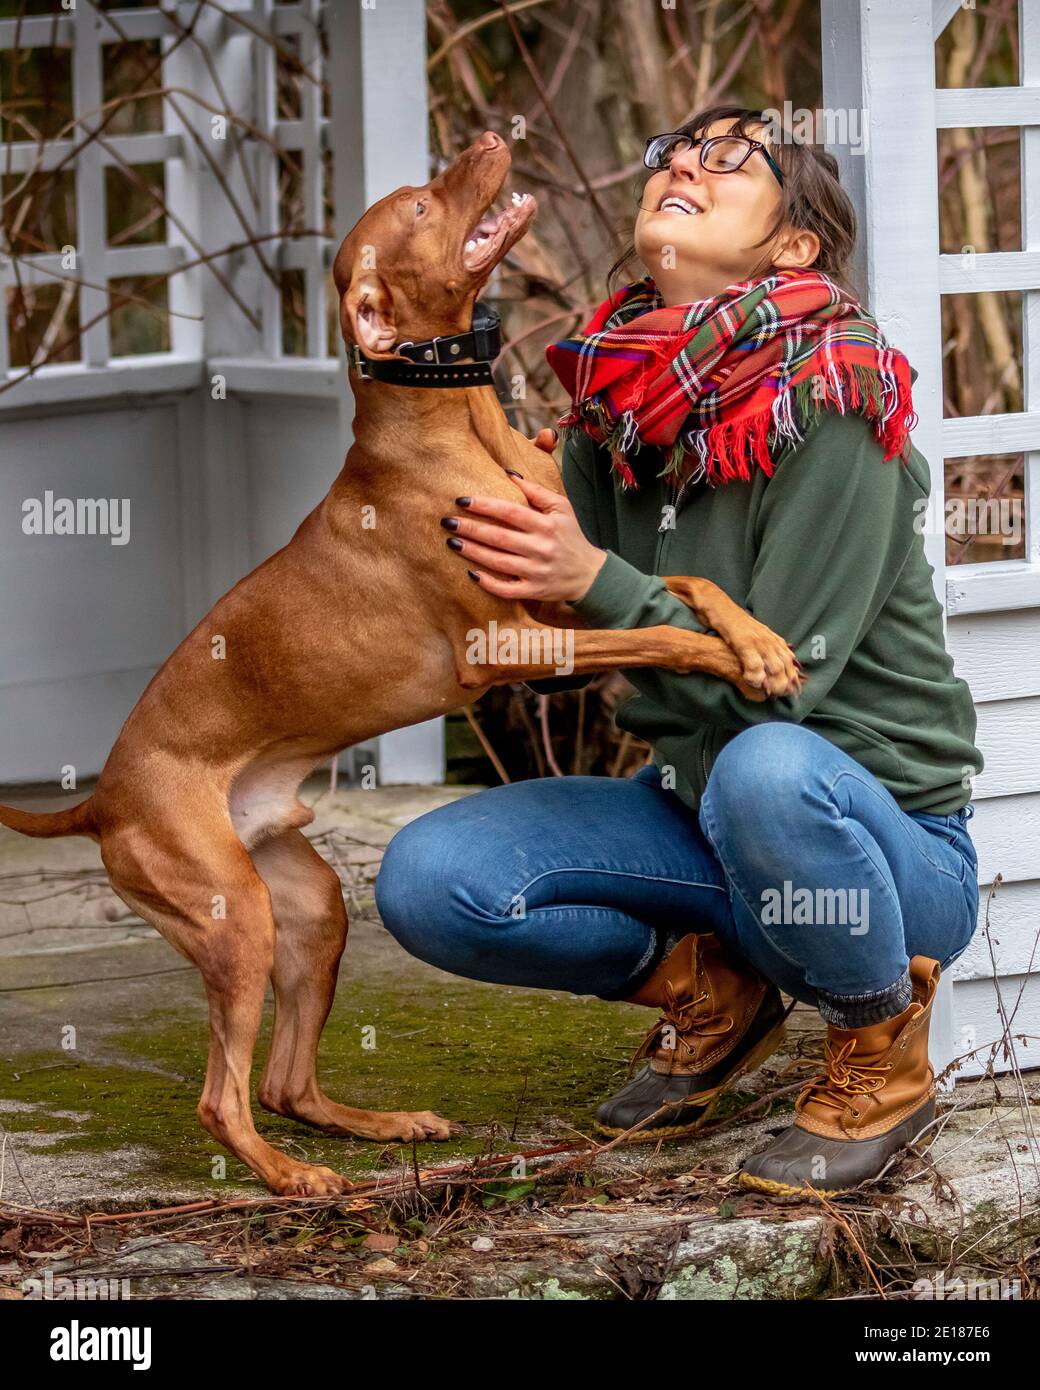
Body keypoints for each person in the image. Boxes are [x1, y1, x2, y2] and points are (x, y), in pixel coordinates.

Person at [374, 106, 983, 1197]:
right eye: (671, 153)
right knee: (430, 879)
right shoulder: (616, 404)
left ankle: (875, 1054)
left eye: (731, 157)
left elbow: (777, 691)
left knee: (767, 768)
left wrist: (588, 580)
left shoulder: (834, 400)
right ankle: (714, 989)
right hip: (704, 824)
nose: (684, 166)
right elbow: (573, 624)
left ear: (792, 246)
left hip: (887, 859)